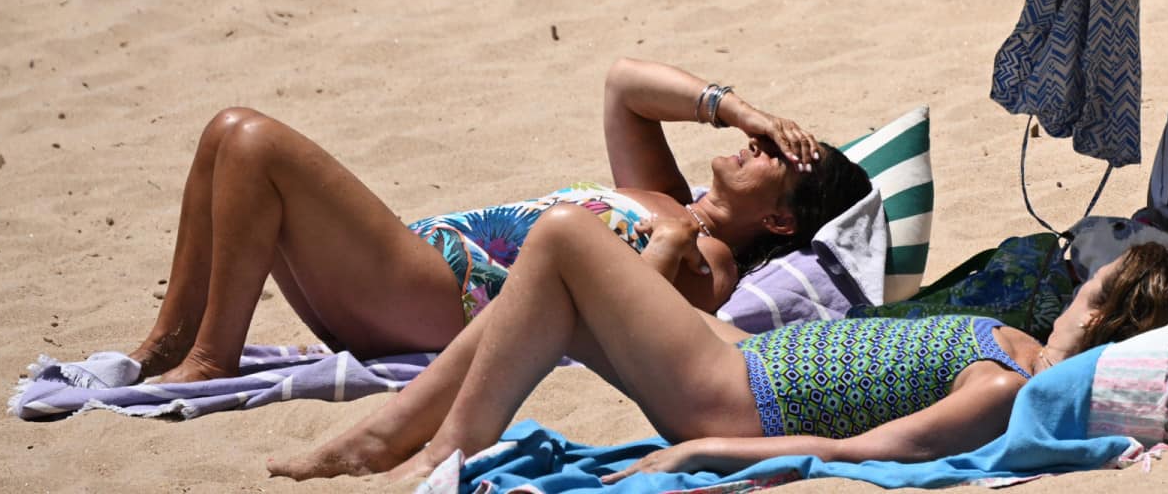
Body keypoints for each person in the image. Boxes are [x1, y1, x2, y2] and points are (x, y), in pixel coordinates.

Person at [266, 209, 1168, 482]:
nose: (1077, 286)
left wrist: (704, 452)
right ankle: (398, 432)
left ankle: (434, 447)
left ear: (1100, 314)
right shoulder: (1015, 346)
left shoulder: (1010, 387)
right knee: (556, 290)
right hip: (744, 358)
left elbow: (866, 453)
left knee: (563, 240)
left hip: (732, 396)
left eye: (1092, 284)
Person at [117, 57, 872, 384]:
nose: (758, 143)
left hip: (441, 300)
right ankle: (167, 342)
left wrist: (671, 245)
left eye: (778, 154)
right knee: (224, 139)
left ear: (781, 222)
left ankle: (211, 357)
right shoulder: (663, 195)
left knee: (250, 138)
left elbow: (636, 326)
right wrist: (736, 107)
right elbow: (624, 85)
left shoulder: (711, 259)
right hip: (409, 272)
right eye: (767, 135)